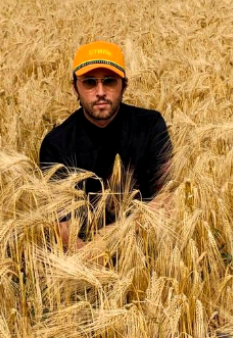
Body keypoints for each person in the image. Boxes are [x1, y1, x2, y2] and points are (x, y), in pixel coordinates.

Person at [39, 40, 172, 248]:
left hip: (147, 246)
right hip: (81, 256)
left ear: (124, 85)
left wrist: (109, 239)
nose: (100, 91)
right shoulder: (56, 144)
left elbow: (167, 197)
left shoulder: (150, 126)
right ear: (75, 88)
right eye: (89, 82)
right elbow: (61, 225)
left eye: (109, 81)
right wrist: (92, 258)